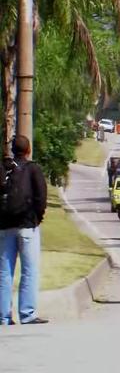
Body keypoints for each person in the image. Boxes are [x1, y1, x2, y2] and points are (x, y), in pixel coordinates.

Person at [0, 136, 49, 325]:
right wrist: (37, 218)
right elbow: (41, 197)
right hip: (27, 226)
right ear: (28, 150)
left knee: (4, 272)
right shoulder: (32, 168)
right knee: (29, 270)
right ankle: (27, 314)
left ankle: (3, 317)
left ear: (13, 149)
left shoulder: (4, 168)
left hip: (4, 226)